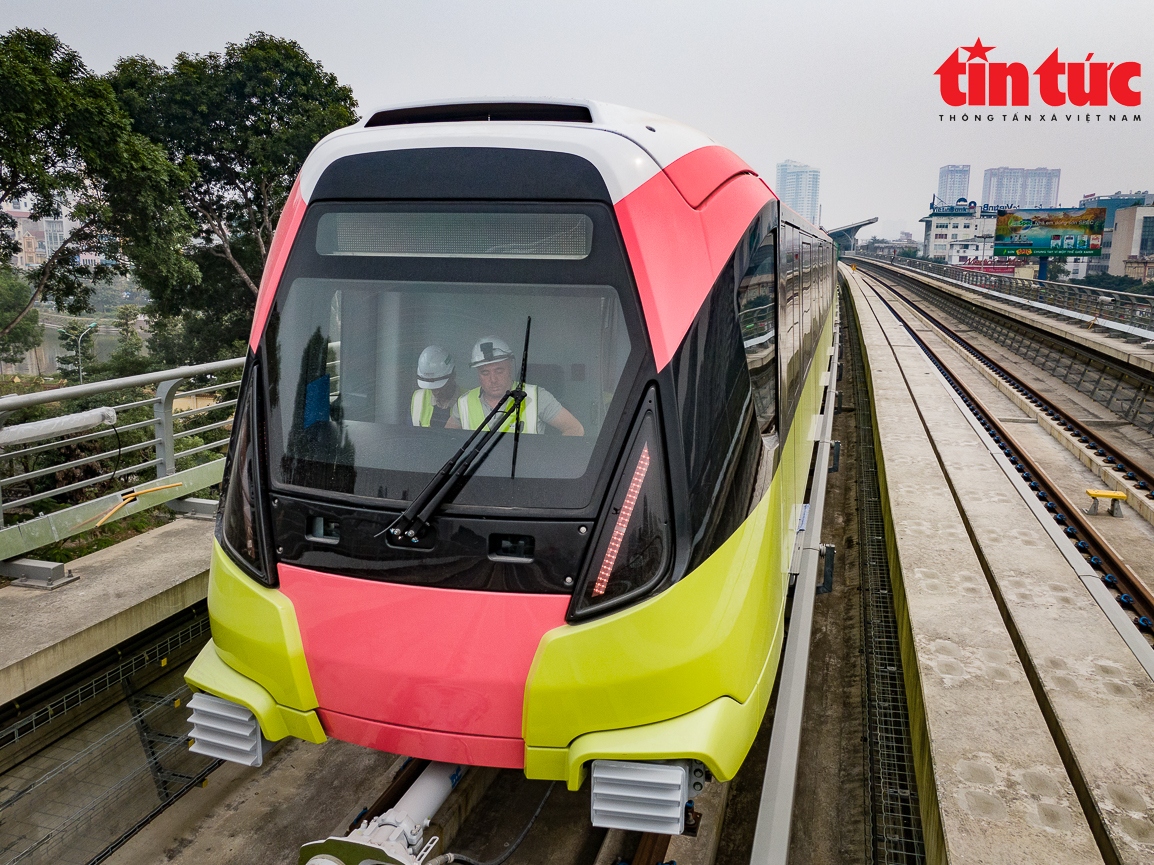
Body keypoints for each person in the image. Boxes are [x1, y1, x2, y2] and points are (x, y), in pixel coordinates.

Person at [446, 336, 584, 436]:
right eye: (485, 373)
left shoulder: (536, 397)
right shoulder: (464, 403)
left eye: (499, 371)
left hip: (523, 475)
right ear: (478, 374)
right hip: (476, 475)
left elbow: (575, 429)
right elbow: (445, 440)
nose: (493, 379)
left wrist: (547, 462)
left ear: (510, 367)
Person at [410, 345, 459, 428]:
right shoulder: (418, 399)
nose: (435, 390)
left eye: (440, 385)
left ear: (453, 375)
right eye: (430, 386)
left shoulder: (468, 402)